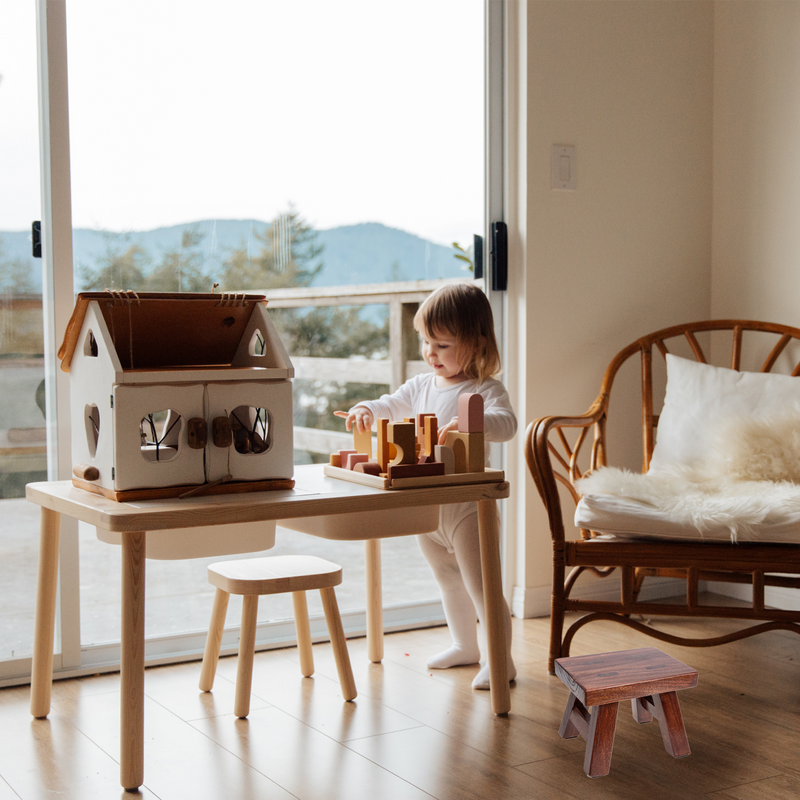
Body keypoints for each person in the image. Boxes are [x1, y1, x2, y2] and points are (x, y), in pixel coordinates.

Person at [336, 283, 517, 690]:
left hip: (468, 506)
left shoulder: (484, 389)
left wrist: (478, 422)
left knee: (482, 587)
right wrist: (367, 408)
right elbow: (389, 404)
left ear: (476, 342)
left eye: (443, 344)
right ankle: (464, 646)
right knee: (447, 579)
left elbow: (507, 423)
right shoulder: (420, 386)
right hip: (428, 508)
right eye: (425, 342)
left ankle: (501, 661)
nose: (430, 353)